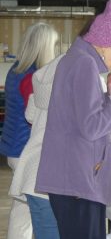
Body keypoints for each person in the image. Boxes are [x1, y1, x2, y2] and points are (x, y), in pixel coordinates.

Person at [35, 0, 111, 239]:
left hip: (74, 181)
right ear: (105, 45)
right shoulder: (84, 65)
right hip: (77, 183)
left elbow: (79, 114)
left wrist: (109, 96)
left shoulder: (77, 60)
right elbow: (92, 126)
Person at [0, 22, 58, 239]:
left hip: (13, 147)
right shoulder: (32, 77)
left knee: (21, 209)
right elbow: (33, 116)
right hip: (24, 150)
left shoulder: (16, 70)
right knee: (31, 210)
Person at [9, 55, 64, 239]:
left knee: (31, 221)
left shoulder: (38, 86)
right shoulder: (65, 95)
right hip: (44, 178)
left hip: (32, 171)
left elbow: (30, 116)